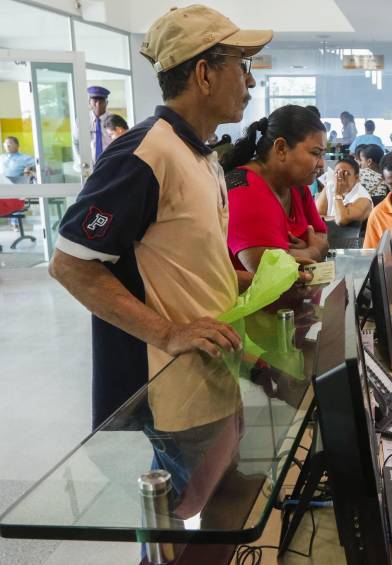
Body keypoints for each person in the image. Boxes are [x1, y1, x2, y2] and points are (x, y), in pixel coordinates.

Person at [48, 4, 274, 429]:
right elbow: (71, 265)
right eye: (241, 66)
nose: (251, 80)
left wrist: (260, 285)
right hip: (172, 395)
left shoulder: (201, 155)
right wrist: (169, 334)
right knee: (194, 495)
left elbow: (183, 268)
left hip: (212, 380)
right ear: (204, 74)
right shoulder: (145, 154)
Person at [221, 104, 330, 270]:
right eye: (315, 153)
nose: (322, 163)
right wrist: (313, 252)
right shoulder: (244, 190)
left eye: (322, 155)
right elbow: (268, 267)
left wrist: (293, 254)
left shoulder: (297, 187)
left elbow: (323, 238)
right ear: (281, 148)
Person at [316, 157, 372, 226]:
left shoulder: (363, 197)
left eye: (346, 174)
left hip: (349, 236)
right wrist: (335, 217)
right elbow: (316, 215)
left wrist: (337, 194)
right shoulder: (330, 185)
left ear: (357, 178)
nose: (340, 177)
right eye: (337, 173)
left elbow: (341, 220)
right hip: (327, 231)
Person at [87, 85, 113, 163]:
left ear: (107, 103)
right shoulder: (82, 120)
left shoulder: (114, 120)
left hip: (109, 163)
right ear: (89, 102)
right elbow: (76, 142)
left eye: (101, 101)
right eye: (95, 101)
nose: (98, 104)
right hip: (89, 165)